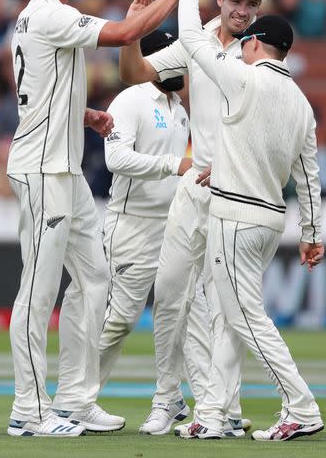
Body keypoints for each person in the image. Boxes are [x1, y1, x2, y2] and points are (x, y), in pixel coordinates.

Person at [5, 0, 196, 437]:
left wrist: (79, 115)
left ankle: (74, 399)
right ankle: (29, 408)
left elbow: (36, 86)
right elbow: (119, 35)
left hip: (63, 166)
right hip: (42, 169)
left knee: (93, 282)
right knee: (38, 291)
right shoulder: (48, 13)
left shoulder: (42, 18)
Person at [175, 0, 324, 441]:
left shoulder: (244, 79)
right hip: (269, 220)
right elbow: (309, 173)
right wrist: (313, 233)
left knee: (243, 319)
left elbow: (194, 42)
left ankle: (301, 406)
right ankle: (213, 416)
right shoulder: (302, 103)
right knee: (233, 320)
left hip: (234, 217)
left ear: (256, 43)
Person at [119, 0, 265, 436]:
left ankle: (224, 405)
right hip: (194, 186)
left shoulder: (261, 52)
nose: (242, 9)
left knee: (228, 306)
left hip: (239, 193)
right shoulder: (197, 39)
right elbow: (136, 74)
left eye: (251, 2)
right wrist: (130, 33)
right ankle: (167, 399)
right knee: (169, 294)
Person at [97, 30, 191, 394]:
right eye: (173, 57)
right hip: (132, 222)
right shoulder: (130, 99)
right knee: (119, 320)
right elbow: (115, 158)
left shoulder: (179, 109)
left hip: (172, 225)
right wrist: (174, 165)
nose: (181, 65)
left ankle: (177, 398)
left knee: (181, 316)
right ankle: (77, 400)